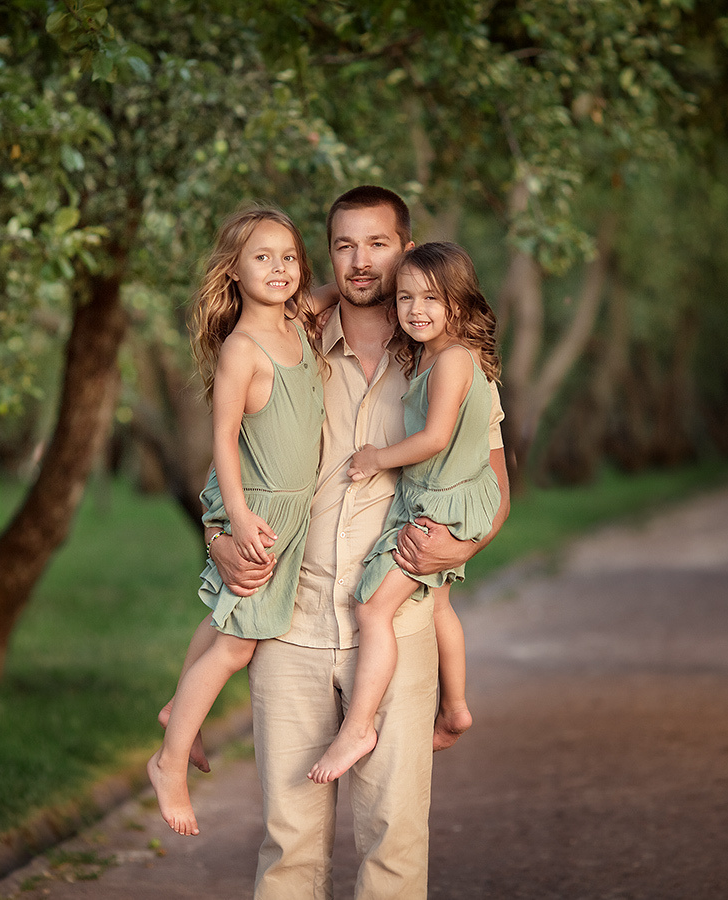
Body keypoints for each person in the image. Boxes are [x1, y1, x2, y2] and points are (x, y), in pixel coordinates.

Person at [207, 186, 510, 899]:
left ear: (407, 250)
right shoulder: (289, 345)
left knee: (394, 839)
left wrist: (463, 548)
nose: (361, 261)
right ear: (328, 255)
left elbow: (495, 483)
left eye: (378, 244)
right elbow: (235, 464)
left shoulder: (445, 356)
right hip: (292, 623)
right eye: (344, 246)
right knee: (288, 841)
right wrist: (220, 537)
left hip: (398, 622)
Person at [148, 205, 325, 837]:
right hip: (259, 507)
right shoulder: (242, 350)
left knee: (226, 616)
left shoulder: (300, 324)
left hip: (288, 507)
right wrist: (241, 518)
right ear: (233, 271)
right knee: (238, 643)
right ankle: (168, 765)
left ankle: (179, 710)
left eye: (289, 257)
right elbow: (223, 439)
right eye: (262, 257)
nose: (279, 268)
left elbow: (338, 293)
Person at [307, 241, 502, 785]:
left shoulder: (454, 360)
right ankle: (455, 708)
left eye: (431, 299)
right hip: (439, 495)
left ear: (458, 303)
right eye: (405, 298)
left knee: (371, 608)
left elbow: (435, 437)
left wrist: (376, 458)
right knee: (438, 605)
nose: (416, 310)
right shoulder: (435, 355)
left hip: (441, 503)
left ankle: (358, 727)